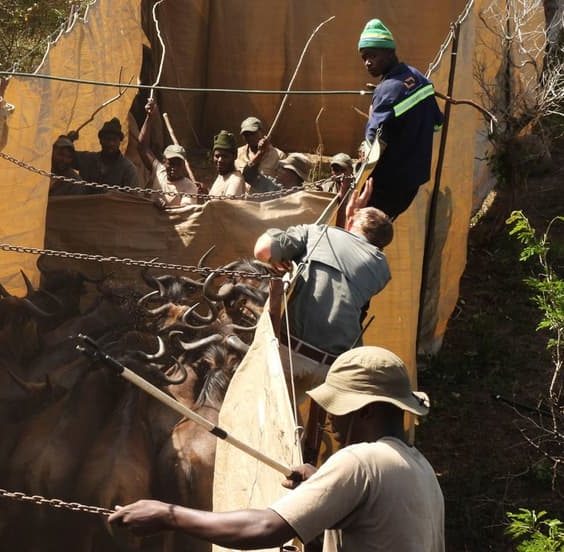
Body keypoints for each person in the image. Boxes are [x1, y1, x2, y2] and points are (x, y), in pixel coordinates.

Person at [108, 346, 445, 552]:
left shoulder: (360, 461)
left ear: (366, 411)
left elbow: (265, 528)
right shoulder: (419, 467)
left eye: (337, 413)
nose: (332, 424)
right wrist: (320, 482)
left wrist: (169, 515)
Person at [252, 179, 392, 407]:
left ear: (352, 221)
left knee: (258, 413)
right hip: (334, 370)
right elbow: (353, 248)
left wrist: (350, 216)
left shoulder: (317, 234)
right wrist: (353, 217)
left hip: (293, 354)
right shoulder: (381, 269)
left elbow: (262, 249)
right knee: (292, 419)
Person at [358, 18, 444, 219]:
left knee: (364, 236)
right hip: (412, 182)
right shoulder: (420, 79)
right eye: (364, 57)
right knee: (381, 230)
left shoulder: (387, 91)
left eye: (373, 55)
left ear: (390, 52)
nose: (367, 62)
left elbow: (372, 147)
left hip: (388, 185)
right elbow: (438, 123)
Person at [137, 98, 198, 207]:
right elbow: (142, 147)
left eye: (178, 164)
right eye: (171, 163)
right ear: (164, 162)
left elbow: (185, 212)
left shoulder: (189, 187)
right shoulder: (159, 172)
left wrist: (166, 208)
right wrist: (149, 117)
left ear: (184, 165)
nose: (174, 168)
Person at [73, 117, 140, 190]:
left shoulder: (128, 169)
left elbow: (131, 198)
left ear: (119, 142)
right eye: (107, 139)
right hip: (86, 201)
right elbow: (63, 158)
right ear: (100, 140)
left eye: (114, 140)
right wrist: (68, 140)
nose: (111, 143)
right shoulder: (87, 159)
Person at [242, 152, 311, 197]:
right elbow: (248, 174)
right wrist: (261, 152)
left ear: (294, 174)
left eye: (283, 168)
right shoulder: (272, 186)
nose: (278, 170)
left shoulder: (303, 198)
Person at [205, 130, 246, 197]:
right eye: (217, 156)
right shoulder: (222, 176)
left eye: (225, 156)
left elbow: (226, 206)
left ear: (234, 156)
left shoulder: (235, 180)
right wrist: (205, 194)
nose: (220, 160)